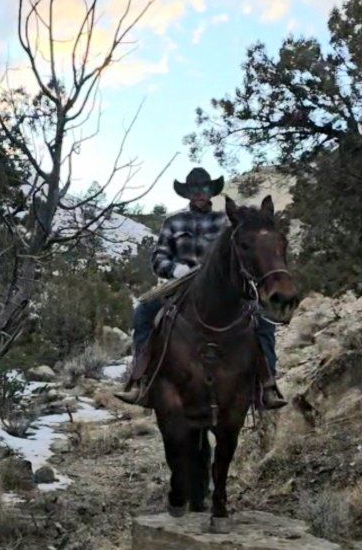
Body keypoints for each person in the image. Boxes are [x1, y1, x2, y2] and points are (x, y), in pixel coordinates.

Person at [115, 167, 286, 409]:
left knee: (263, 320)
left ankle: (266, 385)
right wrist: (175, 269)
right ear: (187, 193)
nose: (198, 193)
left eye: (203, 188)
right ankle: (139, 381)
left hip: (223, 287)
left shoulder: (227, 222)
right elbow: (158, 259)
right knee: (144, 312)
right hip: (181, 284)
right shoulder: (173, 222)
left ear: (211, 191)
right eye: (193, 189)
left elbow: (242, 254)